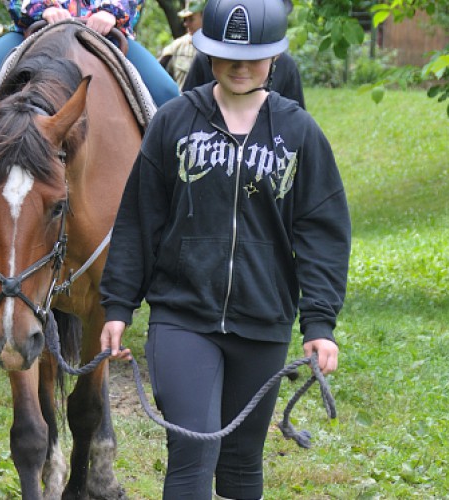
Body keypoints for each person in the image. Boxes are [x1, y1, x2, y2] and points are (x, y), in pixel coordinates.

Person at [98, 0, 351, 496]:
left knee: (240, 465)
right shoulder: (172, 123)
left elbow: (321, 233)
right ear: (207, 54)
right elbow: (138, 220)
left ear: (276, 58)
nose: (240, 67)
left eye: (254, 56)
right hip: (182, 317)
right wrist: (118, 305)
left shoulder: (299, 132)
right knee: (193, 454)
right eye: (227, 55)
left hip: (263, 322)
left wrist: (319, 324)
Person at [0, 0, 179, 227]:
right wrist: (42, 8)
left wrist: (112, 10)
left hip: (108, 32)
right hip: (37, 29)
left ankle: (180, 203)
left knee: (167, 94)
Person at [181, 0, 306, 109]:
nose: (241, 67)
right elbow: (187, 106)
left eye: (256, 59)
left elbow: (295, 119)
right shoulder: (203, 60)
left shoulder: (286, 65)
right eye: (227, 58)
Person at [158, 0, 204, 90]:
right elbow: (156, 74)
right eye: (185, 19)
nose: (186, 24)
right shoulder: (177, 46)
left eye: (191, 19)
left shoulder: (218, 49)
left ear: (205, 17)